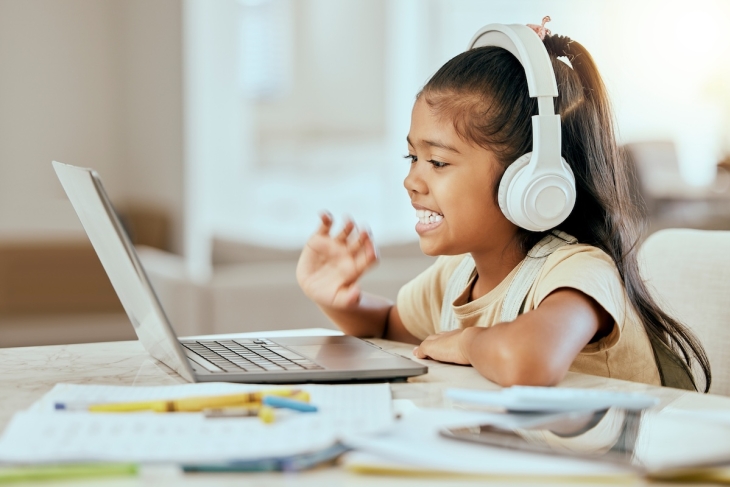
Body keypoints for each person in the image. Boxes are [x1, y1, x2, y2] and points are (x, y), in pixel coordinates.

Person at [295, 19, 711, 391]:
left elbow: (530, 360)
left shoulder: (578, 273)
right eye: (412, 158)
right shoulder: (456, 274)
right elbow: (391, 328)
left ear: (529, 179)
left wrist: (469, 340)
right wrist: (342, 301)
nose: (411, 181)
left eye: (438, 162)